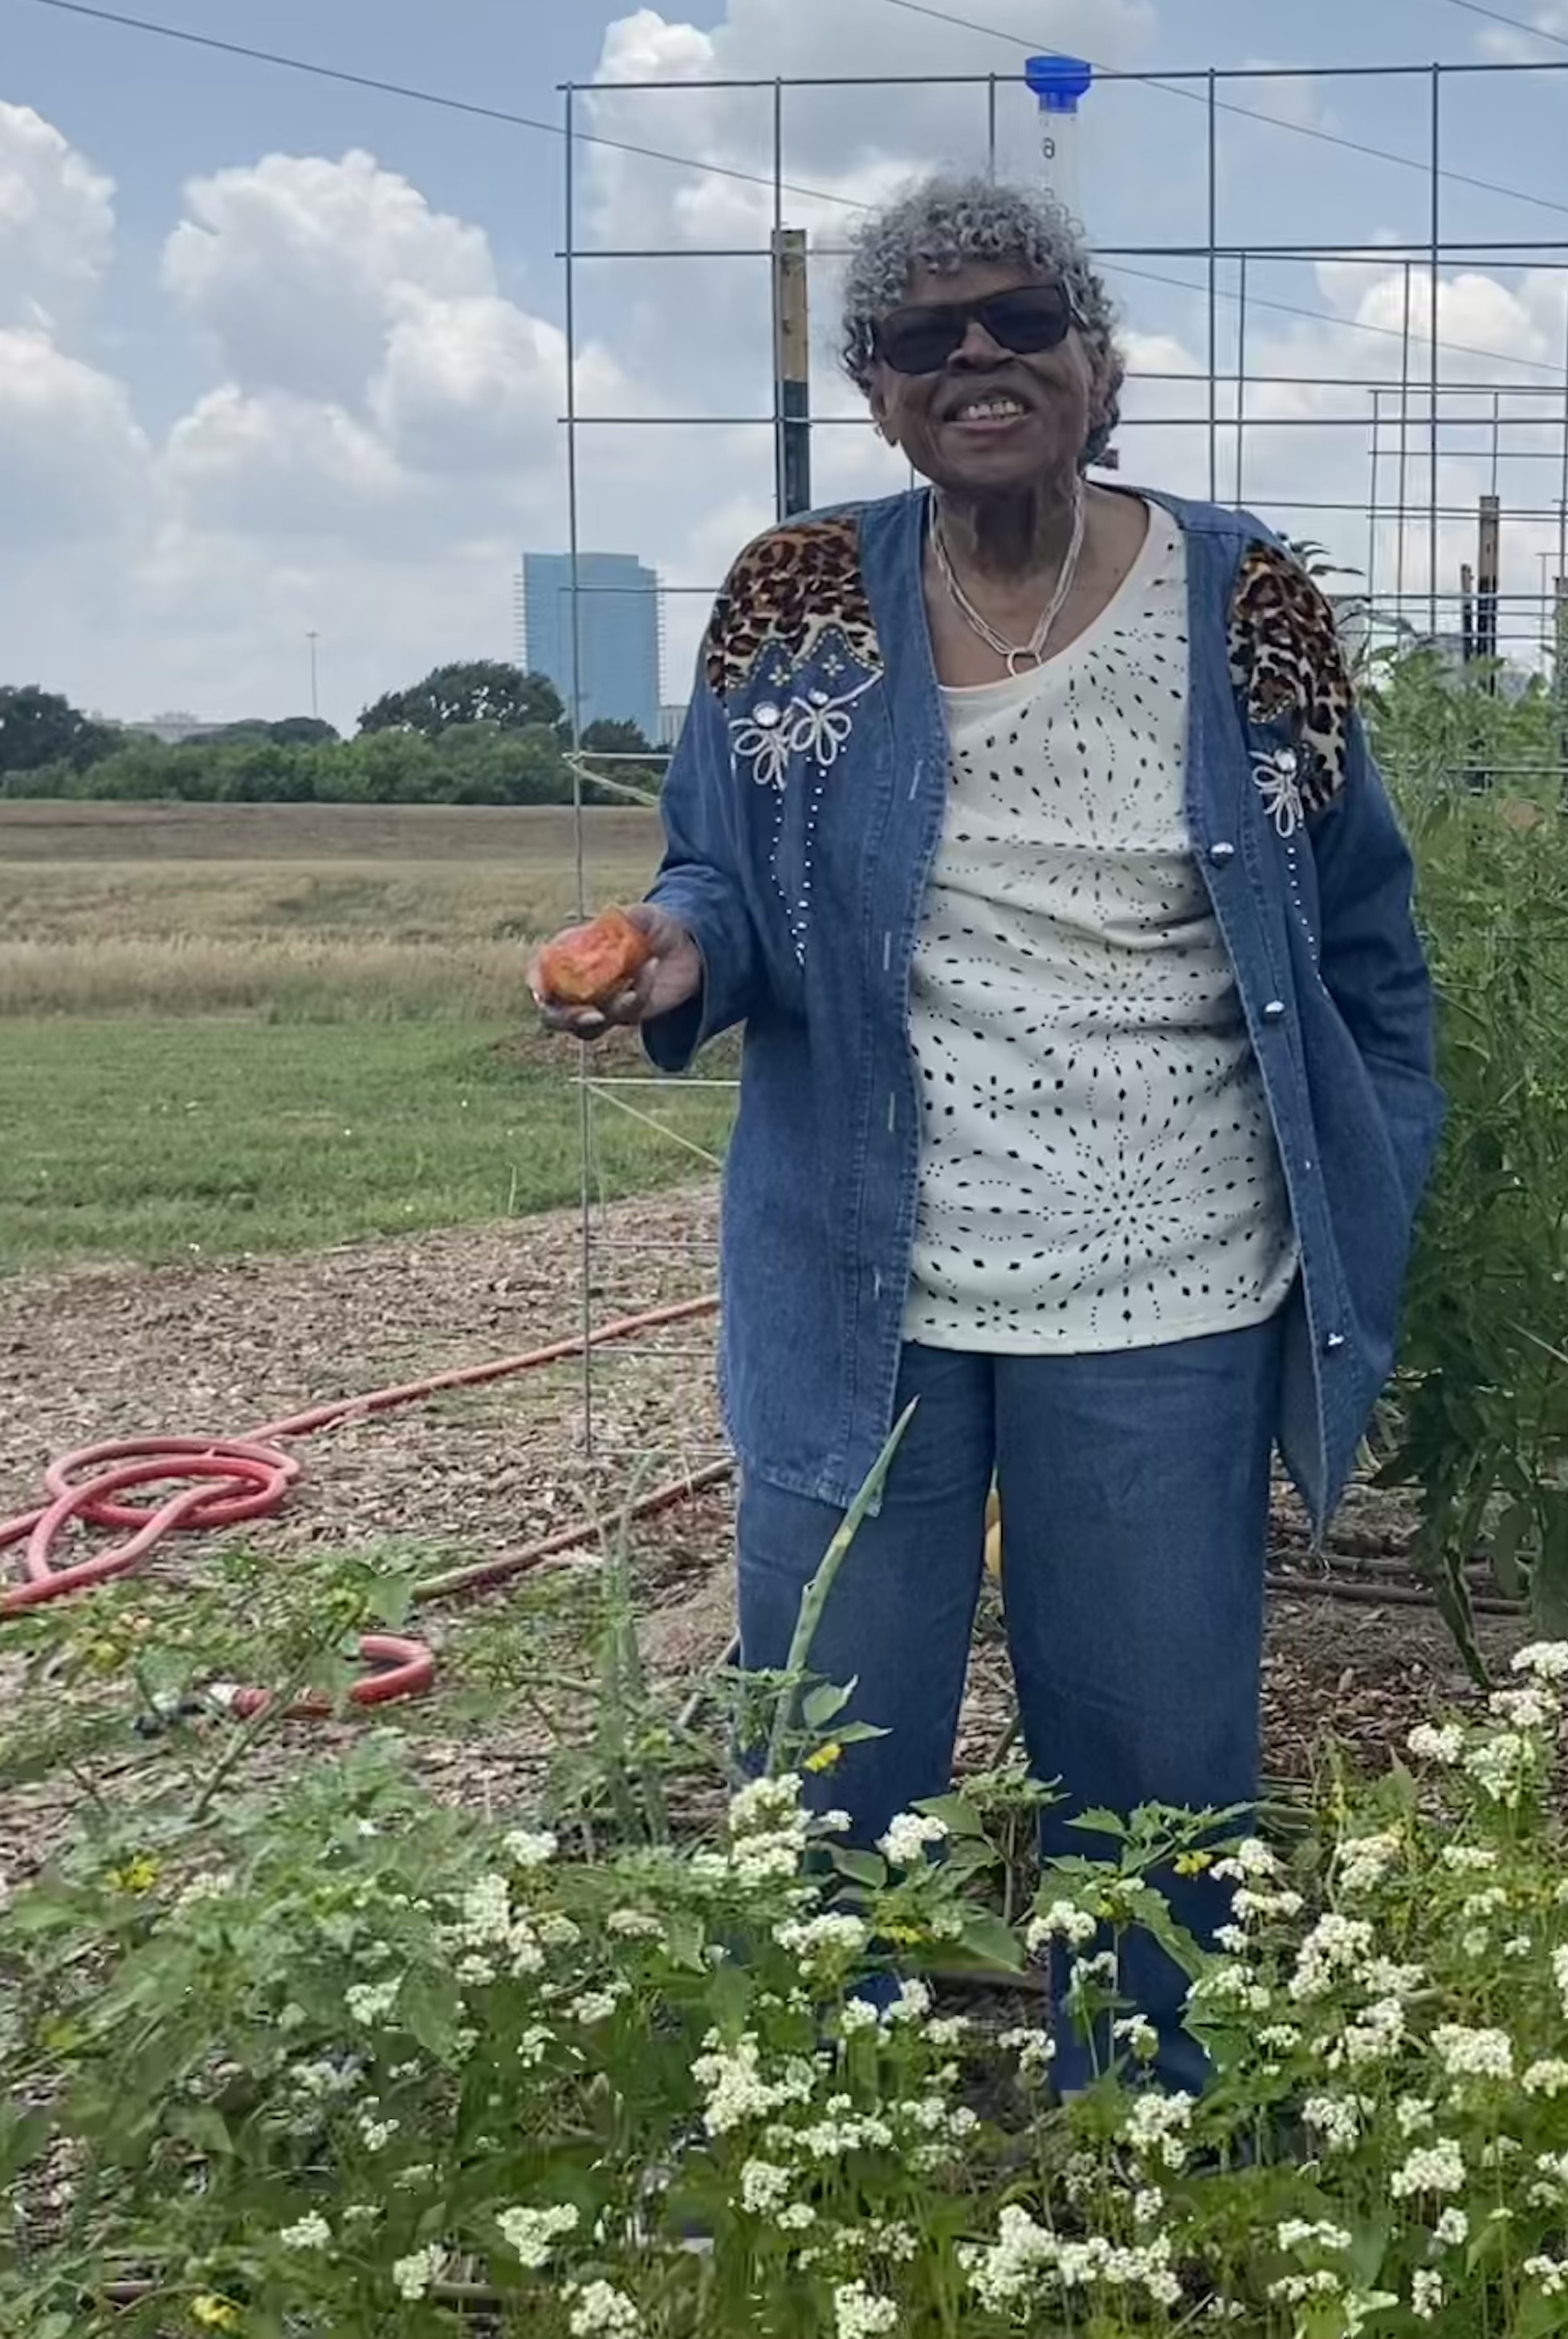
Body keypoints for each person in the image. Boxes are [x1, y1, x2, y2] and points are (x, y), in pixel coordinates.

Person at [529, 172, 1444, 2092]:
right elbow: (717, 862)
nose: (974, 359)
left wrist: (1385, 1163)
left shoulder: (1243, 591)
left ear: (1097, 364)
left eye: (1018, 319)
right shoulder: (793, 594)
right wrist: (670, 954)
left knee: (1159, 1759)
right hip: (860, 1271)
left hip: (1167, 1273)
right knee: (826, 1741)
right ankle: (818, 2117)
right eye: (918, 339)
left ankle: (1167, 2131)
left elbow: (1361, 925)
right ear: (875, 398)